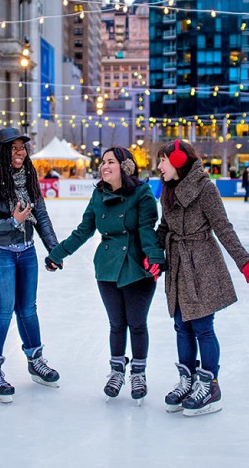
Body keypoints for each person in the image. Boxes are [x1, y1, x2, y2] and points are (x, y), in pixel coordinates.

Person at [44, 147, 165, 403]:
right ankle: (116, 371)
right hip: (107, 267)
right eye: (102, 163)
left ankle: (138, 373)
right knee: (117, 324)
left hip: (136, 267)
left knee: (137, 323)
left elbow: (147, 229)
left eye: (110, 162)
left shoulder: (142, 193)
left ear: (126, 166)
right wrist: (57, 254)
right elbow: (83, 231)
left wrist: (155, 258)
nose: (104, 166)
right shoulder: (98, 195)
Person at [154, 140, 249, 417]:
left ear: (178, 160)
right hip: (177, 263)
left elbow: (223, 227)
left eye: (163, 160)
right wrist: (154, 257)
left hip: (201, 265)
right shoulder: (167, 189)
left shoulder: (205, 188)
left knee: (202, 326)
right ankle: (187, 379)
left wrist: (244, 260)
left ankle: (209, 385)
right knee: (181, 325)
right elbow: (163, 227)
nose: (158, 167)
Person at [0, 127, 61, 404]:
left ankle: (35, 359)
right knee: (2, 311)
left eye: (22, 147)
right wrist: (11, 222)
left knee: (28, 310)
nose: (19, 153)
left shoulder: (29, 177)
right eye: (13, 148)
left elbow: (41, 214)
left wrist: (55, 248)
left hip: (26, 252)